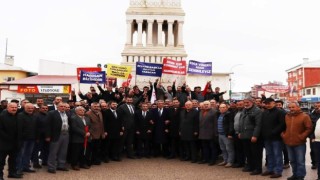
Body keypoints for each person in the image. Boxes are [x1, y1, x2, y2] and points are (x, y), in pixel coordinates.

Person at [282, 102, 312, 180]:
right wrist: (284, 135)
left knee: (300, 161)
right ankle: (295, 174)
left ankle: (300, 176)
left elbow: (309, 128)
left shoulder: (305, 116)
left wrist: (302, 136)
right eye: (290, 107)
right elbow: (284, 127)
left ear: (298, 107)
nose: (291, 109)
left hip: (299, 143)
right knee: (292, 160)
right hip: (288, 142)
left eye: (293, 107)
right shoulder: (287, 116)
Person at [260, 98, 286, 178]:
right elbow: (263, 124)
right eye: (266, 104)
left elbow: (282, 124)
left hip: (276, 138)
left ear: (274, 103)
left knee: (277, 154)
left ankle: (278, 171)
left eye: (269, 103)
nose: (267, 105)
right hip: (267, 138)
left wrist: (273, 132)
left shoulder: (280, 112)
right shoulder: (265, 112)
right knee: (269, 154)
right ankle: (270, 169)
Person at [239, 97, 263, 175]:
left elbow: (258, 125)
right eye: (244, 102)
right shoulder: (244, 110)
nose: (246, 104)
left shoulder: (257, 111)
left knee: (256, 153)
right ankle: (250, 166)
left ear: (252, 102)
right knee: (248, 152)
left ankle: (257, 168)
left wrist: (255, 135)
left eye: (247, 102)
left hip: (253, 136)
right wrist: (240, 132)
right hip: (244, 135)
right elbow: (241, 122)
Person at [0, 102, 23, 179]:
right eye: (12, 107)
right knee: (1, 161)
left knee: (13, 160)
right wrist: (8, 138)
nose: (14, 109)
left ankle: (12, 173)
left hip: (15, 143)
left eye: (15, 107)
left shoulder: (18, 116)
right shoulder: (2, 116)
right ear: (7, 108)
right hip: (4, 143)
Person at [45, 102, 70, 173]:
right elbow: (47, 125)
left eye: (64, 106)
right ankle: (51, 167)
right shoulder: (52, 113)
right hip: (56, 135)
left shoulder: (67, 113)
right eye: (61, 106)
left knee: (63, 151)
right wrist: (48, 136)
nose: (63, 108)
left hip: (66, 134)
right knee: (53, 151)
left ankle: (61, 165)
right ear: (57, 107)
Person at [16, 103, 37, 174]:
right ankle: (18, 169)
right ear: (25, 108)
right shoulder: (20, 116)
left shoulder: (34, 116)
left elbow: (36, 128)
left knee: (28, 154)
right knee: (20, 154)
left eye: (32, 108)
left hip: (32, 138)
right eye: (29, 108)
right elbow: (19, 128)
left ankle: (26, 167)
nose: (30, 109)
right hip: (23, 139)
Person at [70, 106, 91, 170]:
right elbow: (74, 128)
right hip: (77, 138)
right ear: (76, 111)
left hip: (86, 138)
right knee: (76, 152)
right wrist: (84, 133)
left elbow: (90, 126)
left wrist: (89, 132)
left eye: (83, 110)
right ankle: (74, 164)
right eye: (80, 110)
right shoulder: (73, 118)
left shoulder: (87, 118)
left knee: (84, 151)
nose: (82, 111)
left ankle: (83, 163)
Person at [198, 101, 218, 165]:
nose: (206, 105)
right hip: (202, 133)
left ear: (210, 105)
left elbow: (216, 124)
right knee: (205, 147)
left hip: (211, 133)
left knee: (212, 148)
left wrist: (215, 133)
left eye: (207, 104)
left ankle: (213, 160)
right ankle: (206, 159)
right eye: (204, 104)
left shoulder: (214, 112)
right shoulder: (201, 112)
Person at [216, 103, 235, 168]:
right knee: (223, 148)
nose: (222, 108)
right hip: (220, 134)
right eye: (221, 107)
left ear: (227, 108)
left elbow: (231, 125)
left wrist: (230, 133)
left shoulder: (229, 115)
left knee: (229, 149)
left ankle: (230, 162)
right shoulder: (219, 114)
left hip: (226, 135)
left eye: (224, 107)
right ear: (219, 108)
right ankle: (225, 160)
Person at [32, 104, 49, 168]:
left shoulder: (48, 115)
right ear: (40, 109)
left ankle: (45, 161)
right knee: (36, 150)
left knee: (46, 150)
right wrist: (36, 137)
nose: (45, 109)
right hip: (39, 137)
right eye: (43, 108)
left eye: (46, 108)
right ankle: (35, 163)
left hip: (47, 136)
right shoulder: (36, 116)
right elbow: (35, 127)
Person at [310, 102, 320, 180]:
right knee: (314, 153)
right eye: (316, 106)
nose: (317, 108)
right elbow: (311, 127)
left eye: (319, 106)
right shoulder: (311, 114)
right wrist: (312, 137)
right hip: (315, 139)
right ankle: (314, 163)